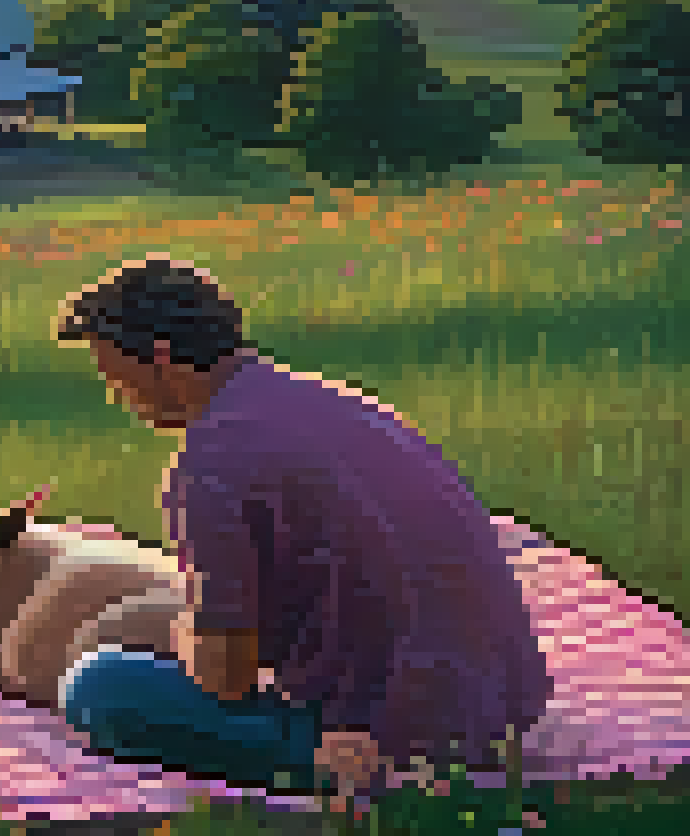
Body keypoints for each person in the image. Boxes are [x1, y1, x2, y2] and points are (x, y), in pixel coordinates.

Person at [49, 256, 551, 798]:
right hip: (507, 705)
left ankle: (325, 762)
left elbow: (226, 680)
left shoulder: (209, 465)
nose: (114, 394)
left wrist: (185, 633)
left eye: (114, 375)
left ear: (161, 359)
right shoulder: (337, 405)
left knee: (100, 685)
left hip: (401, 730)